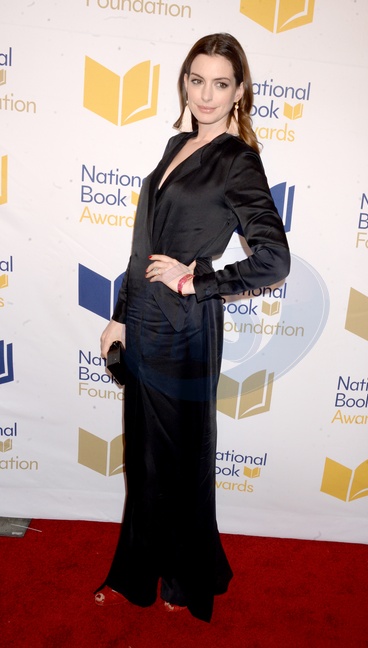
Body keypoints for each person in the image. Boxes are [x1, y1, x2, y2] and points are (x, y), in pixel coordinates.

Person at [95, 32, 290, 623]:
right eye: (197, 80)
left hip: (185, 330)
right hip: (144, 323)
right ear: (185, 82)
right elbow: (143, 246)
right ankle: (137, 574)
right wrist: (119, 316)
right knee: (145, 458)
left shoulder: (236, 160)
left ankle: (186, 579)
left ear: (239, 92)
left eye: (220, 84)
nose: (206, 94)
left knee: (180, 459)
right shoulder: (177, 144)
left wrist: (197, 279)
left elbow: (273, 260)